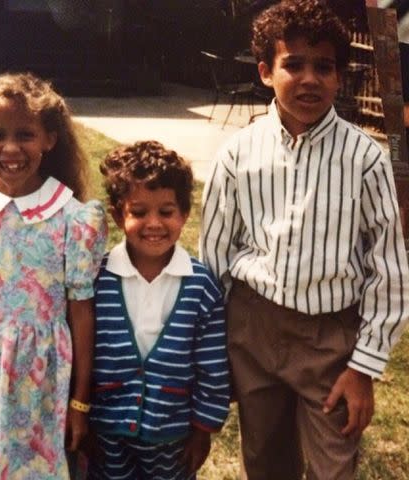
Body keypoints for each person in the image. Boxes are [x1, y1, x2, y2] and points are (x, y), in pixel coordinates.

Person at [200, 1, 409, 479]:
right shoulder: (237, 153)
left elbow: (389, 271)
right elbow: (214, 258)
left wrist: (363, 368)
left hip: (330, 341)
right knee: (265, 459)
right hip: (253, 328)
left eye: (324, 67)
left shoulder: (364, 159)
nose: (310, 78)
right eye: (293, 64)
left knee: (334, 465)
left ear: (339, 77)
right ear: (266, 72)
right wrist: (214, 351)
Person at [0, 72, 107, 478]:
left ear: (49, 139)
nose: (11, 148)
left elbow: (82, 315)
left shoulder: (72, 218)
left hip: (40, 387)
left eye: (25, 135)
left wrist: (79, 402)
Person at [84, 140, 230, 479]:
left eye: (166, 212)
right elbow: (84, 355)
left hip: (173, 434)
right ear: (119, 215)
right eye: (139, 212)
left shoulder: (200, 285)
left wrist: (202, 429)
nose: (154, 223)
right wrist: (83, 415)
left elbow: (212, 366)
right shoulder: (96, 278)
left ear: (184, 214)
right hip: (106, 431)